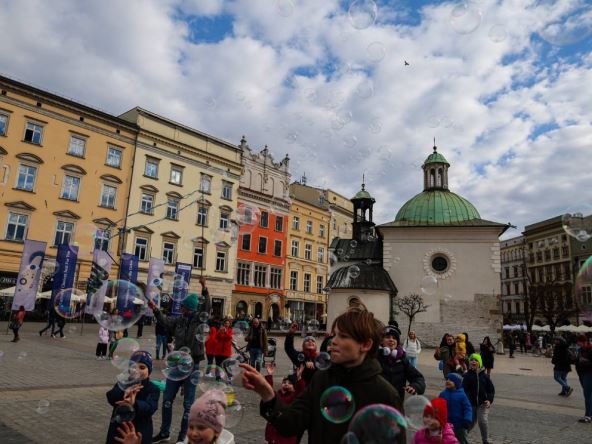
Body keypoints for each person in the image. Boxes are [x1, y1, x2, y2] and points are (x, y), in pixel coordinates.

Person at [240, 305, 404, 443]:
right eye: (335, 335)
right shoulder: (321, 379)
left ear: (366, 345)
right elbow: (290, 424)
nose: (334, 341)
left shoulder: (385, 395)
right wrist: (267, 394)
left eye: (343, 336)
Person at [150, 276, 211, 444]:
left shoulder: (199, 320)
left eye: (184, 306)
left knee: (188, 404)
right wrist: (155, 310)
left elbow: (206, 307)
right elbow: (165, 321)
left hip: (193, 364)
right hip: (177, 364)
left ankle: (182, 436)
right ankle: (164, 432)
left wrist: (204, 287)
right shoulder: (179, 320)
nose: (181, 307)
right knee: (167, 399)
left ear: (189, 308)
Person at [105, 351, 160, 444]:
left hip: (139, 430)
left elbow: (151, 408)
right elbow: (111, 397)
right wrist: (123, 391)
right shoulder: (123, 383)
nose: (137, 370)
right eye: (133, 367)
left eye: (142, 367)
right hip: (119, 428)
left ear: (149, 371)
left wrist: (135, 404)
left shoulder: (152, 389)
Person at [378, 325, 426, 400]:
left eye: (394, 338)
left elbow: (418, 378)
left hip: (396, 404)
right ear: (381, 341)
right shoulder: (374, 358)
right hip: (376, 404)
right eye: (387, 337)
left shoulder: (403, 360)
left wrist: (415, 386)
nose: (391, 340)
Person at [264, 362, 304, 444]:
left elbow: (300, 391)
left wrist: (299, 378)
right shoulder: (277, 395)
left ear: (294, 387)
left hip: (286, 437)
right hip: (273, 435)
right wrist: (269, 375)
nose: (286, 384)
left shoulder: (293, 397)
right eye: (284, 382)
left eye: (290, 383)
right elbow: (268, 391)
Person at [462, 354, 495, 444]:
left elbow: (491, 390)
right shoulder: (468, 376)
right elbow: (463, 390)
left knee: (482, 421)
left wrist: (489, 400)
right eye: (472, 360)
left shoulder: (484, 376)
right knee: (470, 422)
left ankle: (485, 440)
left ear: (479, 363)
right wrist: (465, 401)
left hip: (483, 403)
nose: (473, 361)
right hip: (471, 403)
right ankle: (462, 437)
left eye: (476, 360)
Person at [439, 373, 472, 444]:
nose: (448, 381)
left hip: (460, 425)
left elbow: (468, 408)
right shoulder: (443, 394)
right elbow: (438, 407)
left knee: (463, 440)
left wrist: (467, 419)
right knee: (446, 440)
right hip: (446, 424)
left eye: (451, 380)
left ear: (457, 383)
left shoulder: (462, 395)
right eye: (447, 379)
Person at [574, 335, 592, 423]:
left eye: (579, 342)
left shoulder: (591, 350)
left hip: (589, 373)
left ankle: (588, 415)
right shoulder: (580, 350)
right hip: (581, 373)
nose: (578, 344)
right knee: (588, 394)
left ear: (584, 342)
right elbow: (577, 361)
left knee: (587, 394)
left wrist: (585, 362)